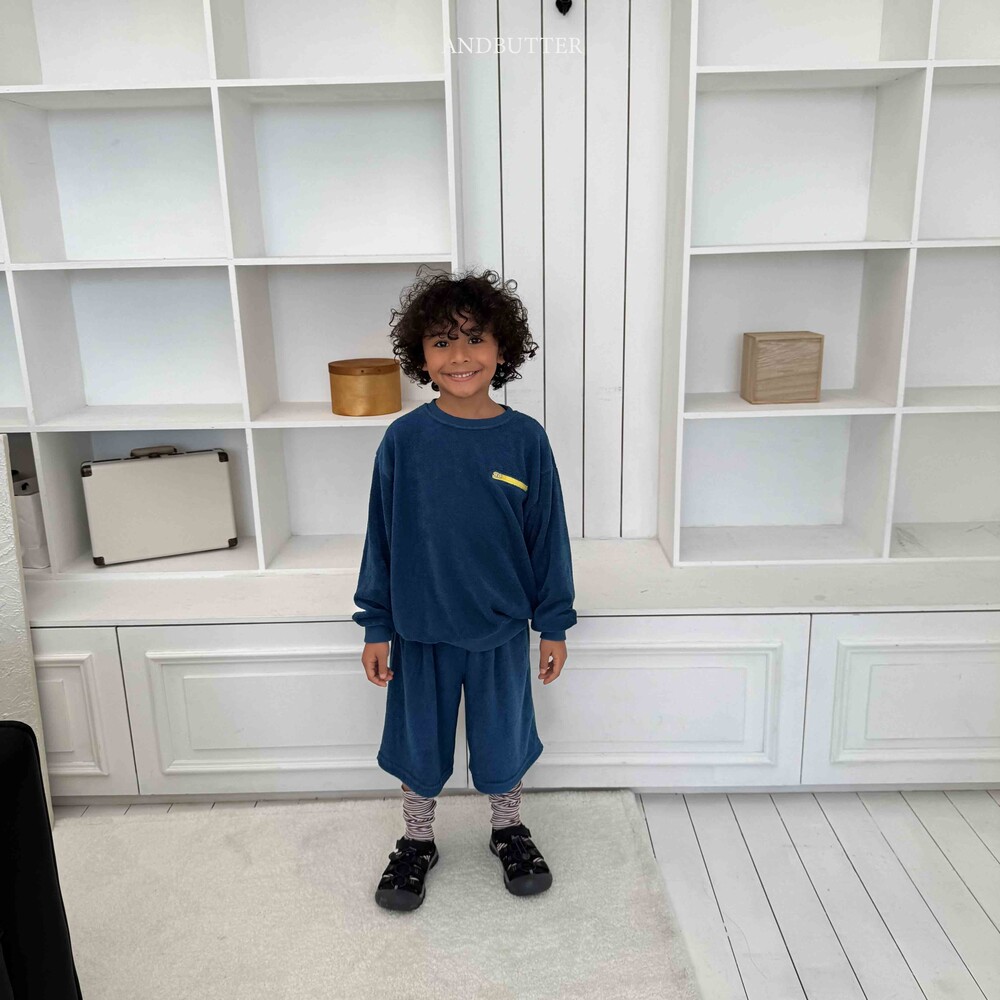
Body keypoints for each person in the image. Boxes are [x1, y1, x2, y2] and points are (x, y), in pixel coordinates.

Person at [353, 266, 577, 911]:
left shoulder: (525, 439)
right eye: (442, 341)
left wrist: (553, 623)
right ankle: (417, 838)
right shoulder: (404, 440)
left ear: (502, 349)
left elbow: (547, 537)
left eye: (475, 338)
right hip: (419, 628)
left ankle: (508, 827)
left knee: (504, 739)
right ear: (421, 356)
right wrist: (376, 625)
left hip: (500, 628)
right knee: (418, 744)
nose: (460, 355)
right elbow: (381, 537)